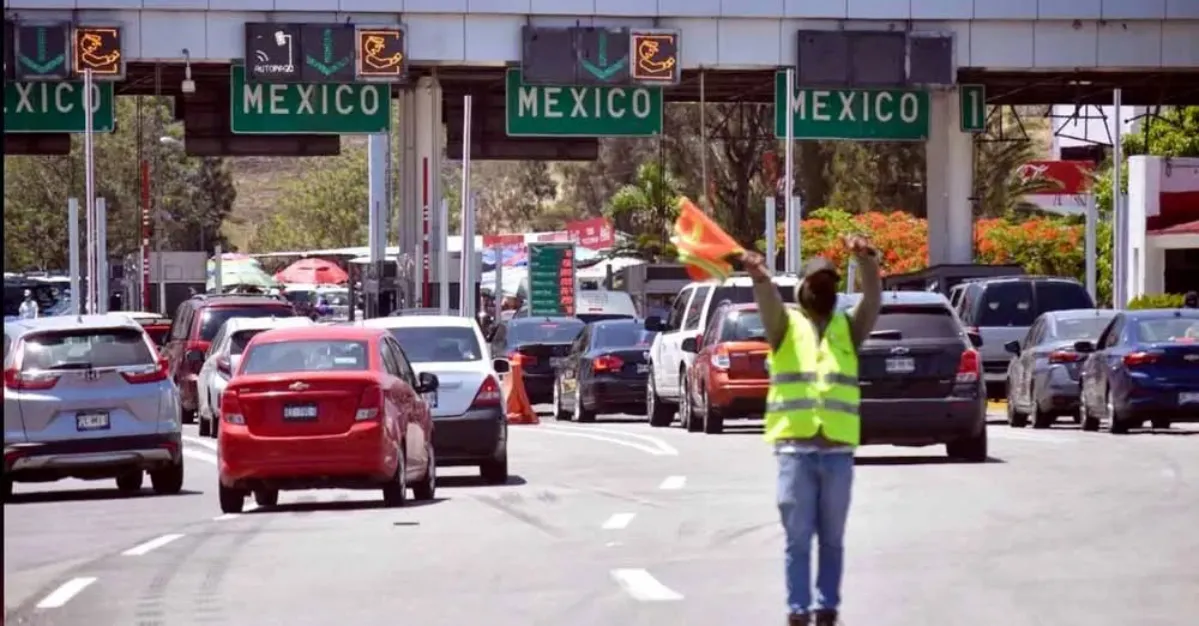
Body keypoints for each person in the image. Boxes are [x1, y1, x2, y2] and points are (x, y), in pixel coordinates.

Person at [736, 235, 881, 626]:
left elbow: (873, 299)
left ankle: (826, 609)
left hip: (837, 454)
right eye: (816, 283)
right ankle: (798, 612)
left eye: (830, 283)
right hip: (794, 453)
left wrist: (866, 259)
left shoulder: (849, 328)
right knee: (798, 541)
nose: (824, 289)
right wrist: (759, 275)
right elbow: (766, 296)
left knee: (832, 541)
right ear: (802, 288)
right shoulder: (784, 325)